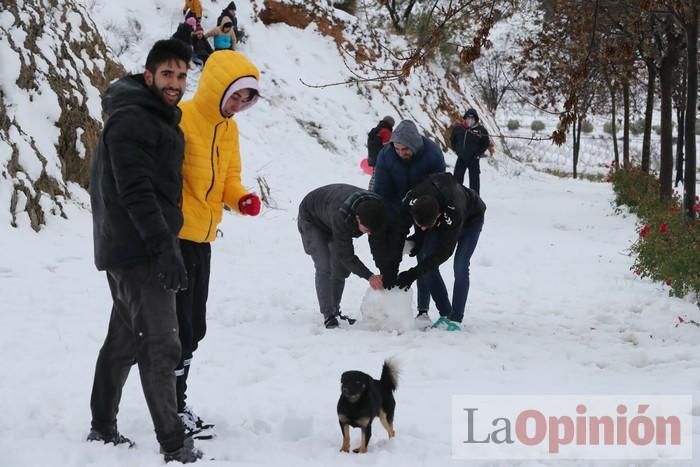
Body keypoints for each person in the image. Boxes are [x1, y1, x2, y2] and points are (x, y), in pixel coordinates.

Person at [87, 39, 203, 463]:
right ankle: (174, 444)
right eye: (167, 75)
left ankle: (102, 426)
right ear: (149, 74)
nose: (175, 83)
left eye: (181, 75)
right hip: (139, 247)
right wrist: (164, 248)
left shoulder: (149, 115)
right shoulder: (134, 119)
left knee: (122, 341)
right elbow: (135, 192)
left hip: (130, 244)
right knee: (159, 345)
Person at [174, 50, 262, 436]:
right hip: (174, 238)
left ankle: (178, 402)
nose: (239, 105)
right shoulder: (182, 119)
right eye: (236, 95)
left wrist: (240, 198)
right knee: (176, 328)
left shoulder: (229, 130)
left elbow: (229, 179)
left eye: (247, 99)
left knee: (194, 327)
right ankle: (170, 407)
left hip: (203, 240)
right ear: (215, 87)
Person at [388, 173, 486, 332]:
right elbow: (399, 230)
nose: (423, 229)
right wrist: (392, 266)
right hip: (439, 214)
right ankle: (446, 314)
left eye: (426, 227)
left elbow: (444, 252)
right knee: (426, 264)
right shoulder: (411, 200)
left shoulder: (454, 210)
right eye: (420, 226)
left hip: (471, 220)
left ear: (439, 216)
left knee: (460, 266)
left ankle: (455, 318)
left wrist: (413, 273)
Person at [371, 119, 445, 326]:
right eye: (396, 147)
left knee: (424, 256)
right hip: (397, 208)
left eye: (404, 148)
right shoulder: (386, 155)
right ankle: (389, 295)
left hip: (426, 208)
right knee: (393, 246)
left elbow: (441, 189)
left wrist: (426, 223)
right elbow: (382, 192)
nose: (399, 151)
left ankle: (423, 309)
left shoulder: (433, 155)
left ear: (414, 146)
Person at [298, 185, 386, 329]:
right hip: (312, 217)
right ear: (357, 218)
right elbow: (346, 255)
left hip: (330, 211)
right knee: (324, 264)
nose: (369, 234)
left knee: (340, 268)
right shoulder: (341, 215)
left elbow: (379, 241)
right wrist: (369, 276)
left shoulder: (378, 210)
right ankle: (329, 315)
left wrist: (384, 270)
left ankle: (335, 309)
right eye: (366, 230)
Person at [450, 108, 490, 194]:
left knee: (474, 182)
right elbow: (453, 140)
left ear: (476, 119)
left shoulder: (481, 130)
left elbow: (486, 143)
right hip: (461, 158)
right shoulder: (459, 129)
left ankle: (475, 201)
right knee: (457, 180)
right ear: (465, 118)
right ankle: (455, 198)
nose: (470, 120)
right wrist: (457, 150)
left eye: (472, 118)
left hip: (474, 159)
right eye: (468, 118)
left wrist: (478, 154)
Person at [366, 115, 394, 189]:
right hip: (380, 157)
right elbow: (388, 146)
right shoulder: (385, 131)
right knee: (378, 176)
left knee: (374, 176)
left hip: (372, 157)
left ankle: (370, 190)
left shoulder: (375, 130)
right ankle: (372, 192)